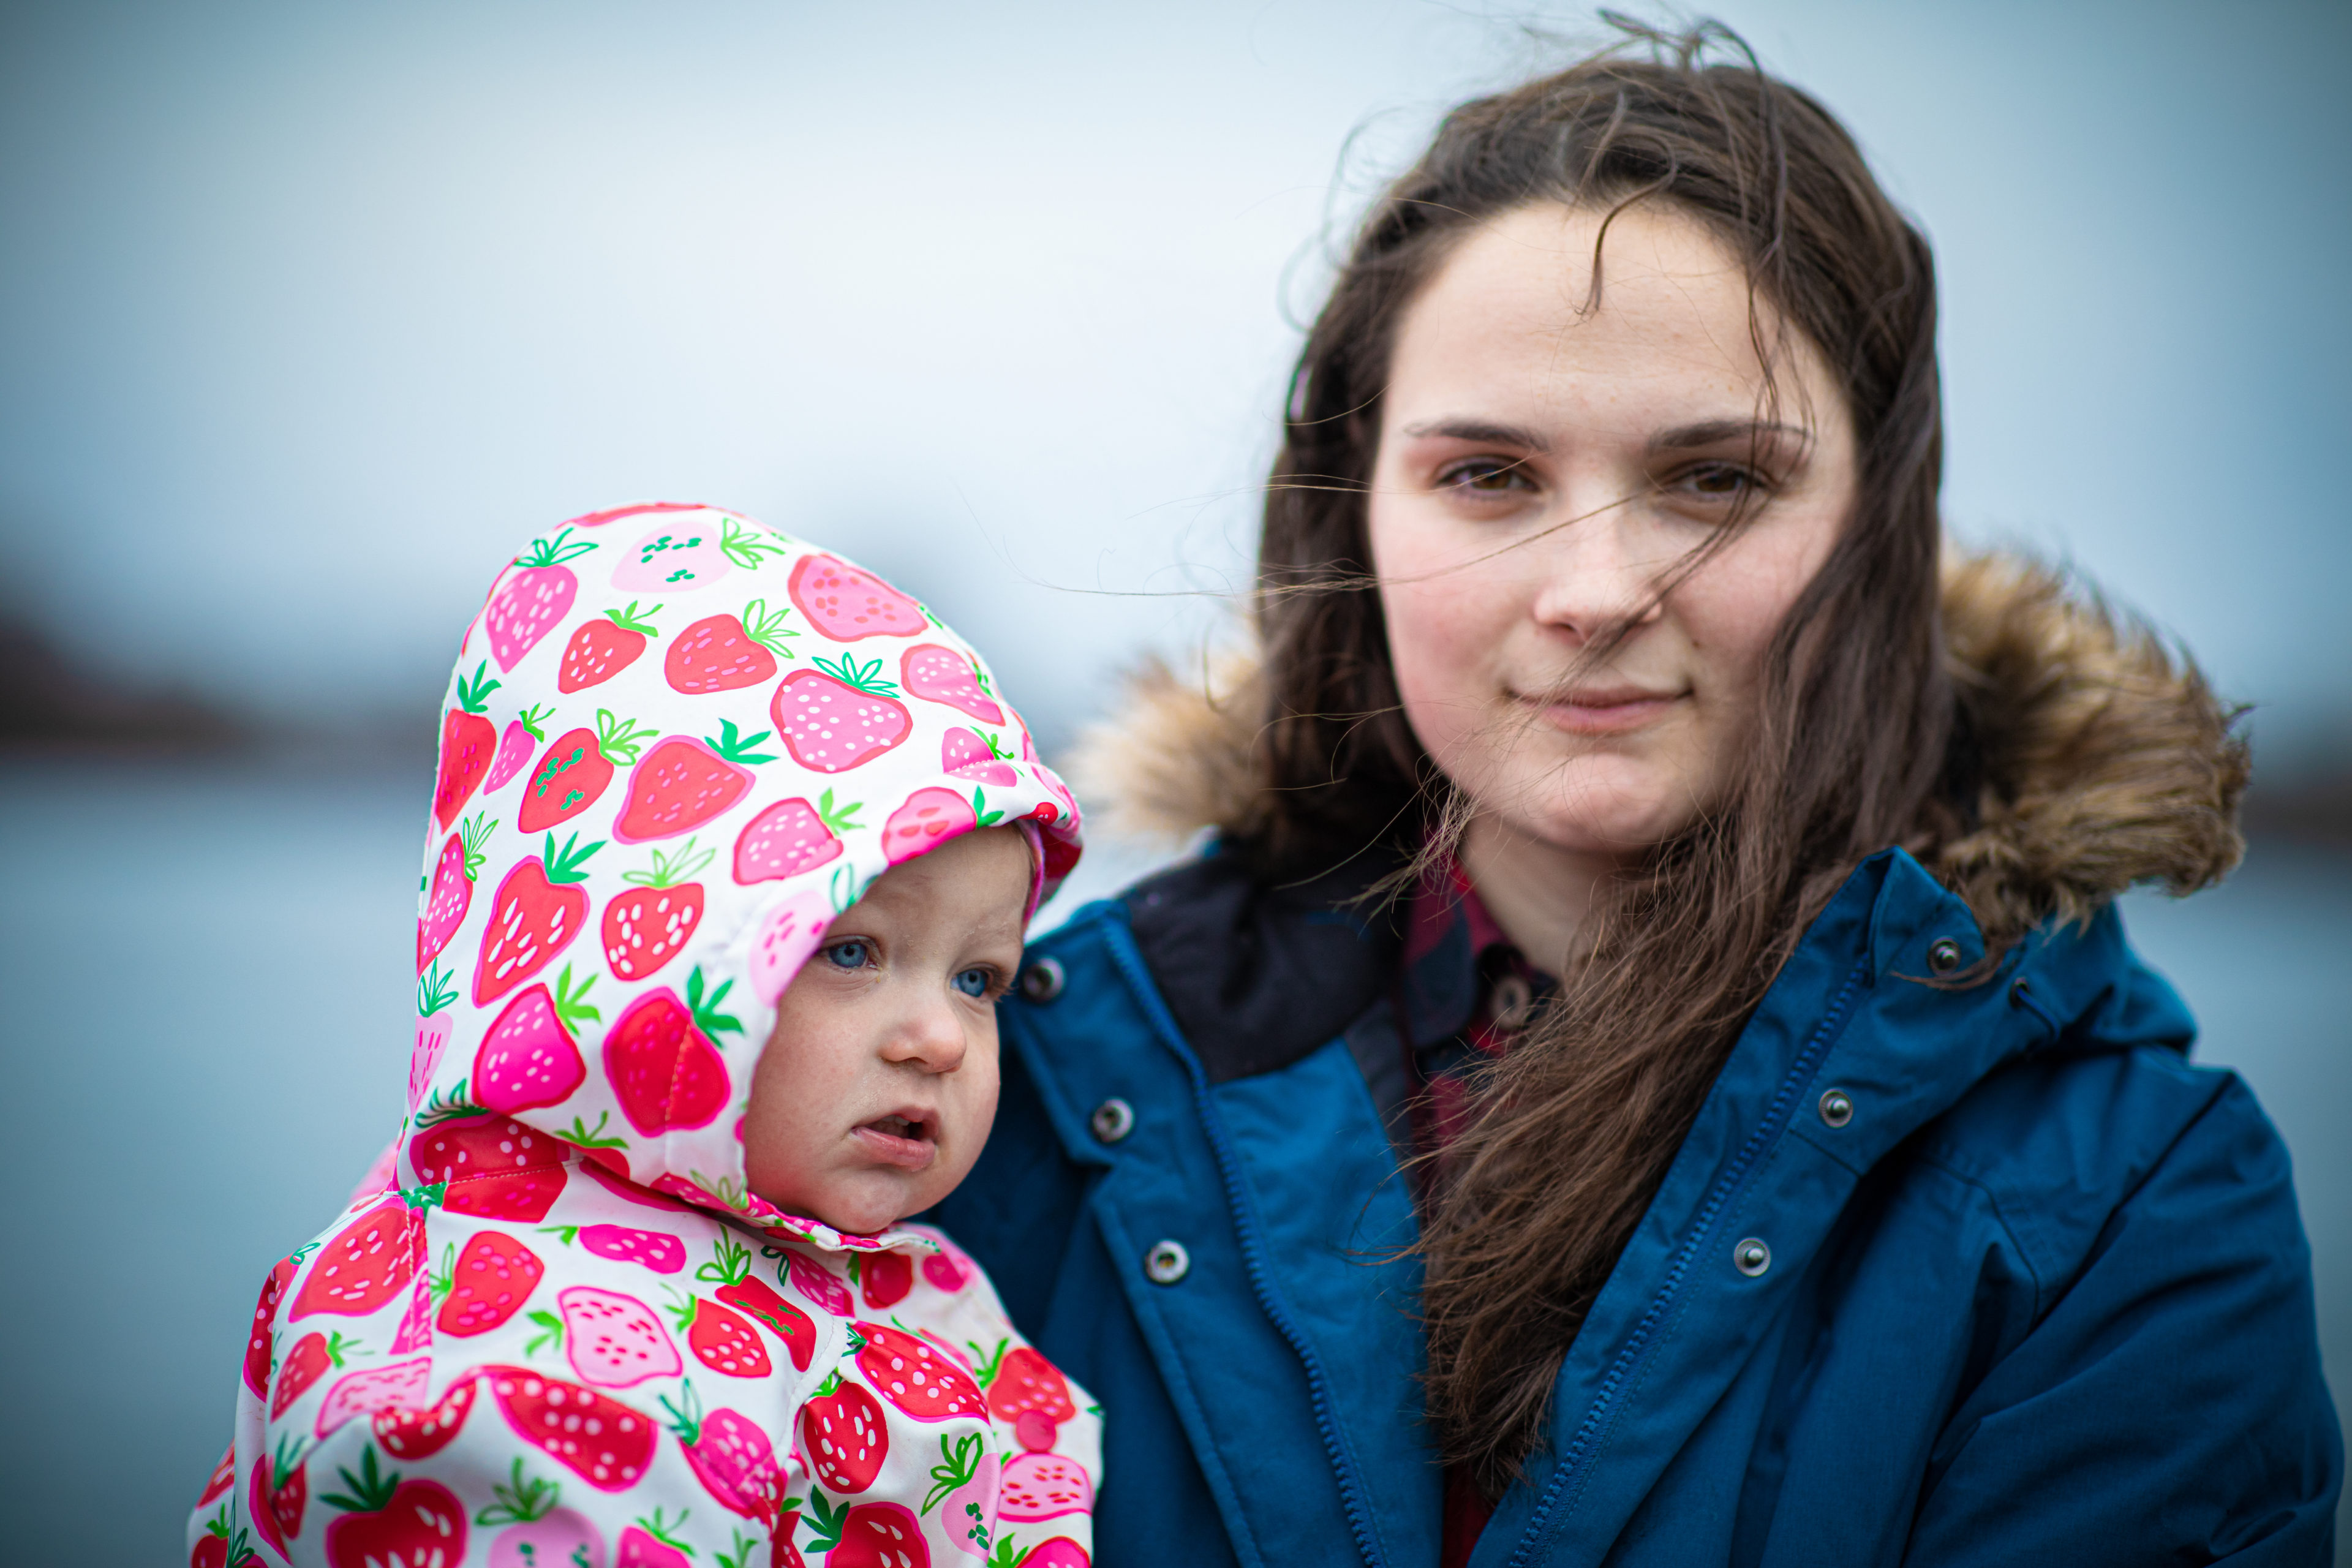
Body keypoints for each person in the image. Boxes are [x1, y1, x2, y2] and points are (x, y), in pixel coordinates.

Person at [933, 24, 2344, 1568]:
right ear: (1355, 510)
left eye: (1716, 478)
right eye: (1489, 476)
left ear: (1879, 529)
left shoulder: (2133, 1206)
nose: (1594, 589)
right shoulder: (1030, 1089)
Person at [187, 505, 1098, 1568]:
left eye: (979, 977)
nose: (941, 1037)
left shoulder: (855, 1275)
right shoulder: (512, 1354)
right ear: (634, 964)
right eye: (849, 952)